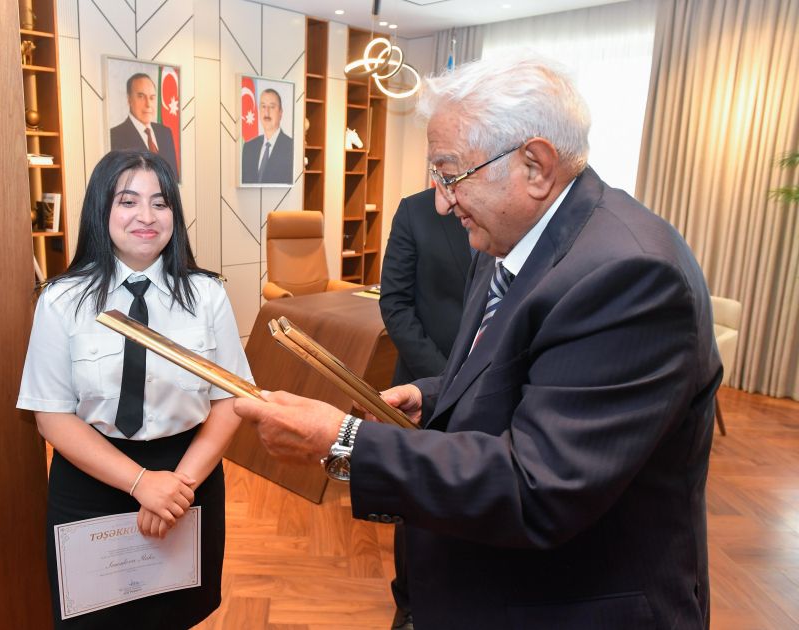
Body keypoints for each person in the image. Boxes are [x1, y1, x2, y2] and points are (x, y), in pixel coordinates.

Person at [232, 55, 721, 629]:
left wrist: (345, 441)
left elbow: (539, 487)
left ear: (535, 166)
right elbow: (521, 369)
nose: (441, 202)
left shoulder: (629, 274)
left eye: (450, 174)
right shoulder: (507, 240)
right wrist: (434, 394)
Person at [17, 150, 251, 629]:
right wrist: (142, 483)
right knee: (95, 619)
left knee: (174, 615)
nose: (146, 216)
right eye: (128, 201)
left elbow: (230, 400)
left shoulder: (207, 295)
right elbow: (51, 416)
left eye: (160, 203)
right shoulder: (61, 300)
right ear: (101, 210)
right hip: (92, 478)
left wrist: (177, 488)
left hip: (188, 473)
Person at [378, 187, 471, 630]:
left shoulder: (513, 216)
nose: (443, 188)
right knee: (416, 500)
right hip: (424, 381)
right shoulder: (415, 212)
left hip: (497, 385)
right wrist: (447, 380)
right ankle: (410, 602)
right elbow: (395, 304)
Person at [110, 73, 180, 182]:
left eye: (152, 98)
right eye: (141, 96)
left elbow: (174, 179)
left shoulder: (165, 133)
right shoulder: (115, 135)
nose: (148, 104)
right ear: (129, 99)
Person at [241, 88, 294, 185]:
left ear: (280, 112)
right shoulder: (248, 147)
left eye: (272, 107)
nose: (267, 113)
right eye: (263, 106)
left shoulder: (291, 147)